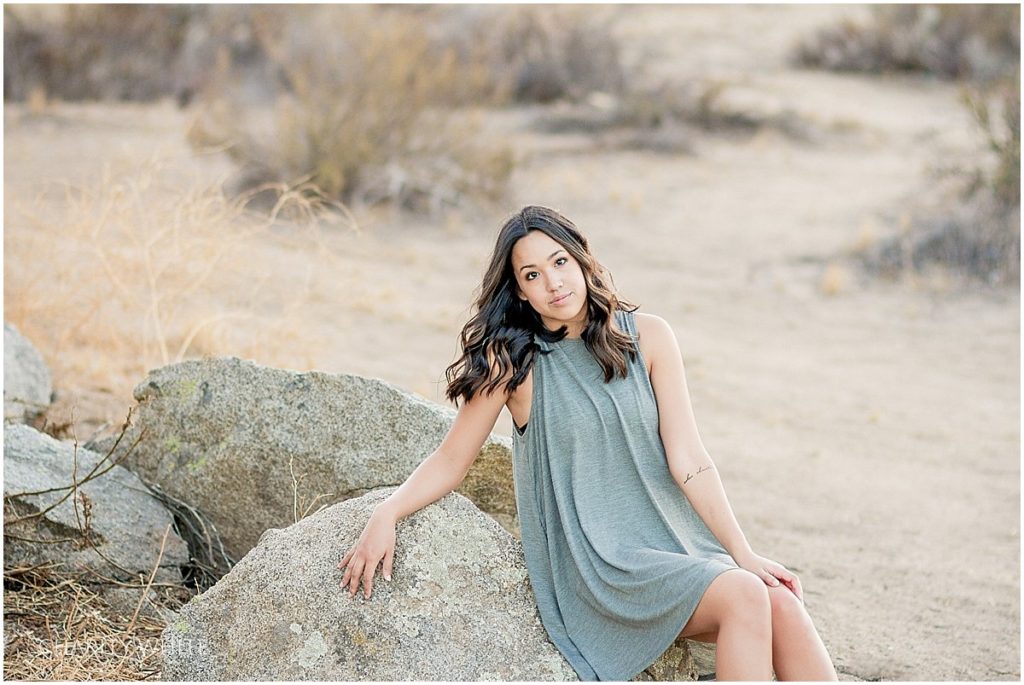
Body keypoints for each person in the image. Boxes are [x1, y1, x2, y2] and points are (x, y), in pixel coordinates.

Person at [338, 205, 838, 681]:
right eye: (532, 274)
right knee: (747, 596)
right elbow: (452, 459)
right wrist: (387, 512)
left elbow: (691, 460)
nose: (553, 282)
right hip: (602, 567)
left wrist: (743, 552)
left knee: (780, 601)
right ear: (519, 292)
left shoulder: (650, 336)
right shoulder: (514, 363)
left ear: (581, 260)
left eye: (559, 262)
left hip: (675, 544)